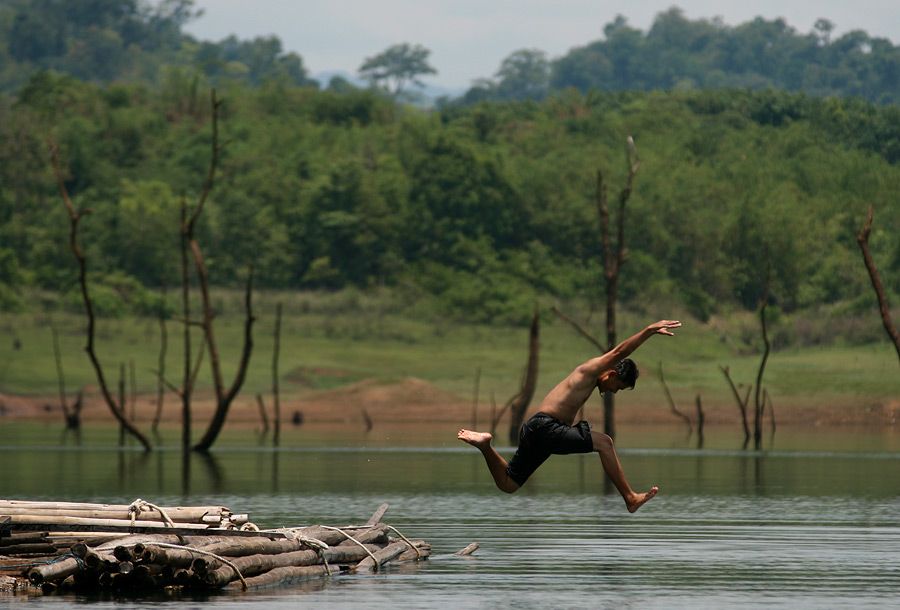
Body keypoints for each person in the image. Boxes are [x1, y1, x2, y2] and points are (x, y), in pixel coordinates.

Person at [458, 319, 682, 513]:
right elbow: (619, 352)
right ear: (612, 373)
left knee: (509, 484)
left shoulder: (592, 379)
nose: (614, 392)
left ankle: (485, 446)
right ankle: (630, 498)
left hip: (534, 429)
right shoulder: (592, 369)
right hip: (547, 428)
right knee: (605, 443)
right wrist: (649, 331)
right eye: (618, 387)